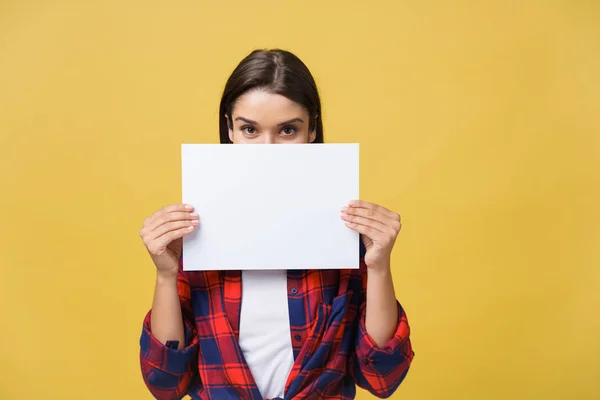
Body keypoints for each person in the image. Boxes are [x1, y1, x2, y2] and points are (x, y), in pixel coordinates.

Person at [138, 49, 414, 400]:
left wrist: (379, 266)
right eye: (250, 129)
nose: (267, 149)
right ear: (230, 129)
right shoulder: (196, 236)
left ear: (311, 130)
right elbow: (165, 384)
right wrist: (165, 275)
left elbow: (381, 378)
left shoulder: (344, 236)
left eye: (287, 130)